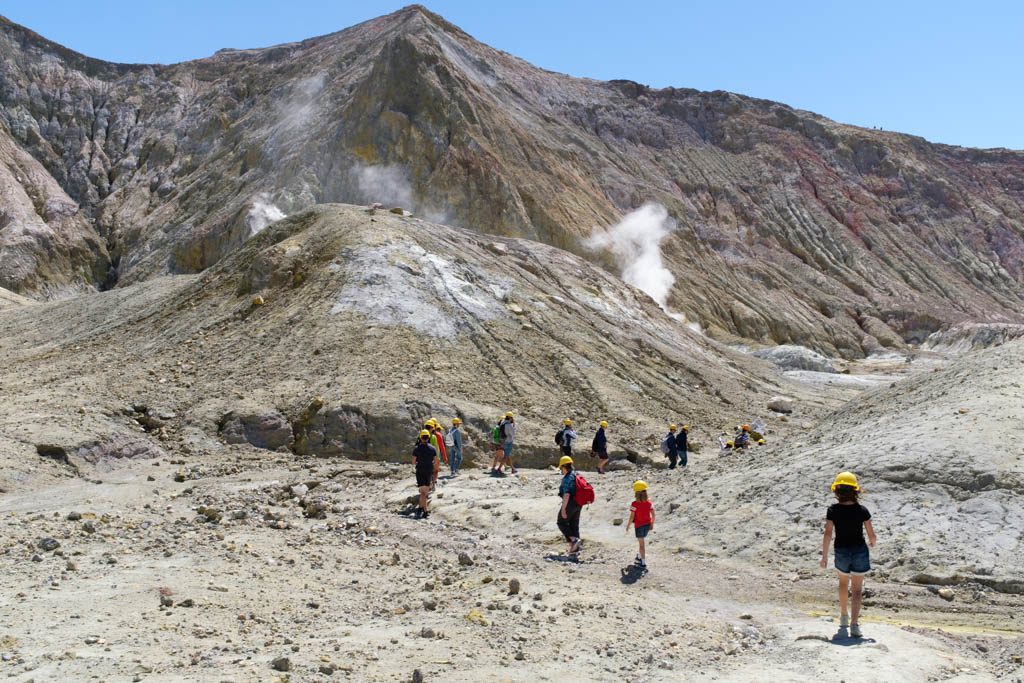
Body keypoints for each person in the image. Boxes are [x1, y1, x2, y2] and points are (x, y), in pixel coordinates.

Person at [819, 471, 877, 639]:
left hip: (841, 551)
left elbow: (828, 534)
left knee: (843, 584)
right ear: (856, 491)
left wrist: (824, 557)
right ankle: (854, 625)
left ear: (836, 491)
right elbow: (871, 534)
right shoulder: (862, 510)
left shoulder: (833, 510)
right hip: (859, 550)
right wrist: (873, 542)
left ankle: (844, 615)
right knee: (857, 590)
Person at [556, 455, 582, 555]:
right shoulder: (576, 474)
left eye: (561, 468)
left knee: (561, 522)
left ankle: (574, 540)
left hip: (570, 503)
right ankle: (574, 550)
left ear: (564, 467)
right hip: (579, 503)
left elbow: (566, 494)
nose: (561, 471)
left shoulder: (567, 478)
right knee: (574, 525)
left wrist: (563, 509)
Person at [625, 480, 655, 569]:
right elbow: (653, 514)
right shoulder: (649, 503)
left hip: (639, 526)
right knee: (641, 542)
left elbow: (631, 517)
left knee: (642, 544)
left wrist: (628, 525)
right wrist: (652, 523)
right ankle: (639, 556)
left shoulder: (634, 504)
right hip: (647, 524)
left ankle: (643, 562)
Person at [412, 430, 437, 519]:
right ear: (428, 437)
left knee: (422, 492)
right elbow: (436, 461)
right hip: (429, 471)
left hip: (420, 471)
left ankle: (424, 511)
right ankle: (420, 508)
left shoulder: (417, 448)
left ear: (421, 437)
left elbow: (413, 461)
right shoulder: (432, 448)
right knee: (425, 492)